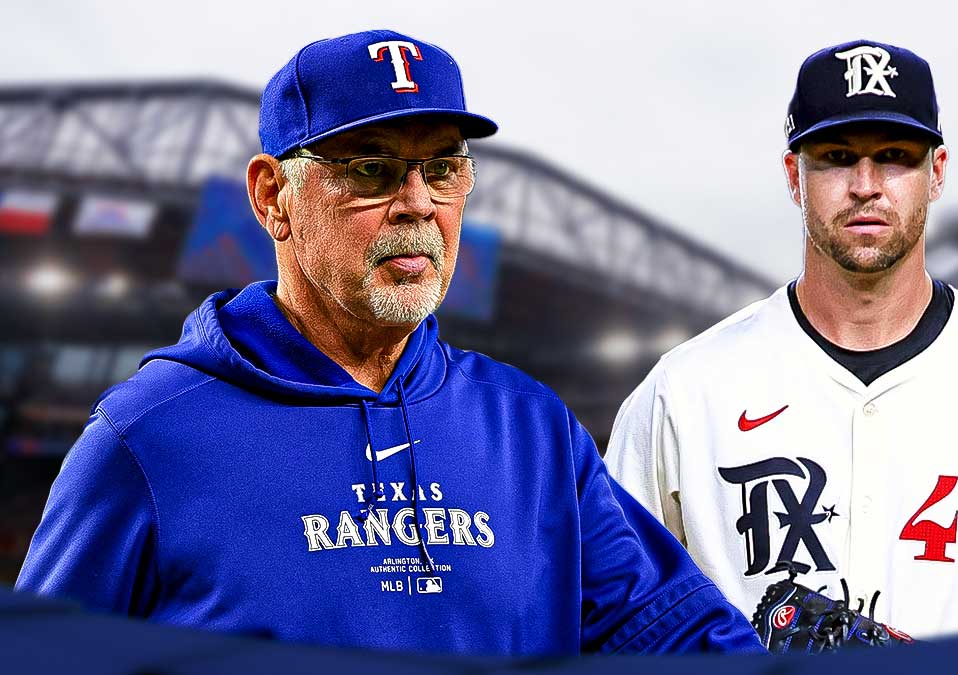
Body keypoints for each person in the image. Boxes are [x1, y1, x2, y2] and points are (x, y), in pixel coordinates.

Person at [16, 29, 764, 656]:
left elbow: (673, 632)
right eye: (372, 169)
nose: (417, 203)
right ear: (273, 197)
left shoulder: (531, 428)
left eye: (442, 168)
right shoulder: (148, 437)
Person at [605, 39, 958, 640]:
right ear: (795, 175)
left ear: (936, 172)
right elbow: (611, 614)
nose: (865, 184)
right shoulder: (682, 390)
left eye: (894, 156)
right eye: (837, 156)